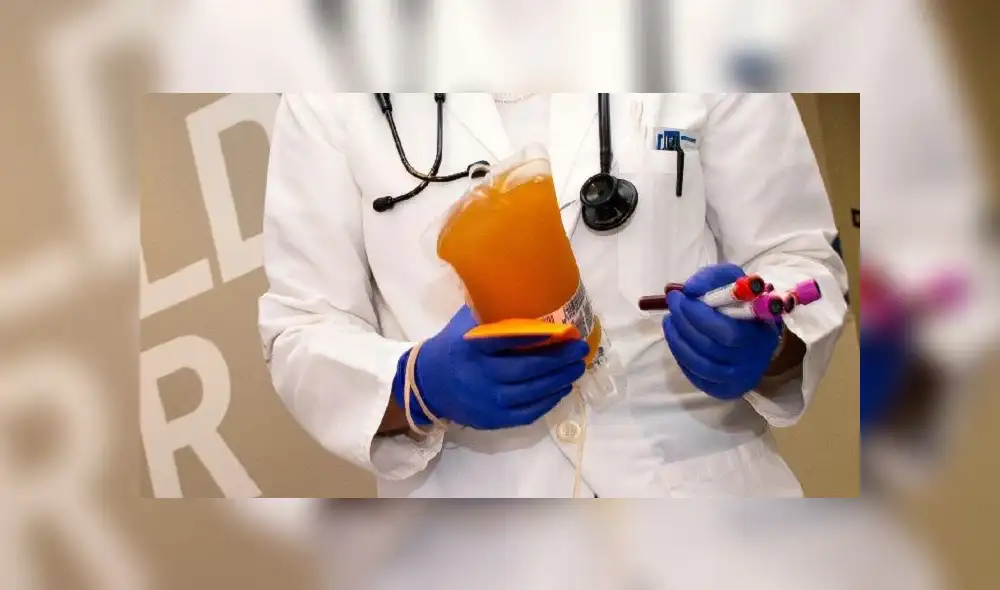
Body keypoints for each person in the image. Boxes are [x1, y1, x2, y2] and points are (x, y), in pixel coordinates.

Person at [258, 92, 849, 498]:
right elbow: (302, 325)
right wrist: (414, 384)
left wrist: (765, 336)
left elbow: (797, 252)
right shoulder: (327, 95)